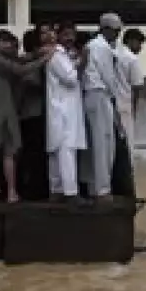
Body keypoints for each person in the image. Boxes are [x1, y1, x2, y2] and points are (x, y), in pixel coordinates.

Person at [0, 30, 52, 203]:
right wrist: (44, 59)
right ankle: (8, 192)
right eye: (5, 42)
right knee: (6, 153)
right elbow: (20, 69)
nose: (10, 45)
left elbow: (20, 61)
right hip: (3, 110)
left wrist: (35, 54)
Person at [79, 13, 130, 201]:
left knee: (94, 143)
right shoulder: (101, 47)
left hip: (93, 95)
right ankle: (102, 189)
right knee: (103, 143)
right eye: (116, 31)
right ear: (107, 29)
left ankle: (94, 187)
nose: (117, 35)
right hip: (100, 94)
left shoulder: (93, 46)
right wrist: (116, 99)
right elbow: (108, 77)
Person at [45, 23, 87, 201]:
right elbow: (70, 78)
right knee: (66, 151)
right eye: (66, 34)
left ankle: (57, 190)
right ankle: (70, 193)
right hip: (63, 111)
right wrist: (82, 62)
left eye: (73, 35)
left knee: (58, 151)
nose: (70, 38)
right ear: (59, 36)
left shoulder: (63, 55)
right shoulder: (57, 56)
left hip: (63, 110)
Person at [15, 27, 51, 202]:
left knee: (30, 153)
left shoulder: (22, 61)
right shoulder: (32, 63)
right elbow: (32, 83)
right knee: (35, 154)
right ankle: (35, 189)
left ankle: (30, 187)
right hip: (33, 113)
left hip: (27, 113)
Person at [116, 27, 146, 145]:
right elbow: (137, 86)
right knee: (128, 141)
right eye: (139, 43)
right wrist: (134, 109)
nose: (140, 47)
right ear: (130, 41)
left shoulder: (114, 54)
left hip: (112, 104)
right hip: (125, 104)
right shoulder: (132, 59)